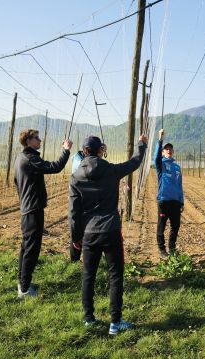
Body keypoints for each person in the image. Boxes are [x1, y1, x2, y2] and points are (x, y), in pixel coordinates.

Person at [69, 134, 147, 335]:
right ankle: (115, 322)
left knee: (88, 275)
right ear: (100, 150)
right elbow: (135, 162)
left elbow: (74, 213)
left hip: (88, 233)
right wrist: (141, 144)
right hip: (111, 231)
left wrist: (75, 239)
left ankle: (89, 318)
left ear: (84, 150)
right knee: (115, 275)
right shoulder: (111, 170)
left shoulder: (76, 176)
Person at [14, 129, 71, 298]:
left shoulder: (19, 158)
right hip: (33, 210)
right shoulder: (31, 159)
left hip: (26, 208)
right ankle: (24, 290)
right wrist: (66, 150)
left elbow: (16, 183)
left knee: (25, 248)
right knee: (32, 249)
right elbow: (55, 167)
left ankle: (23, 282)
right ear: (28, 141)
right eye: (37, 138)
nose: (40, 141)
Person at [154, 129, 184, 259]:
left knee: (175, 226)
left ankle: (172, 248)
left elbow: (179, 185)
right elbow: (155, 157)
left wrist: (181, 201)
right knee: (161, 226)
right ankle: (162, 250)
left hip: (175, 202)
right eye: (166, 149)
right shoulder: (160, 164)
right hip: (164, 200)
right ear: (162, 152)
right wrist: (160, 140)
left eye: (170, 149)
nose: (169, 150)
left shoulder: (177, 167)